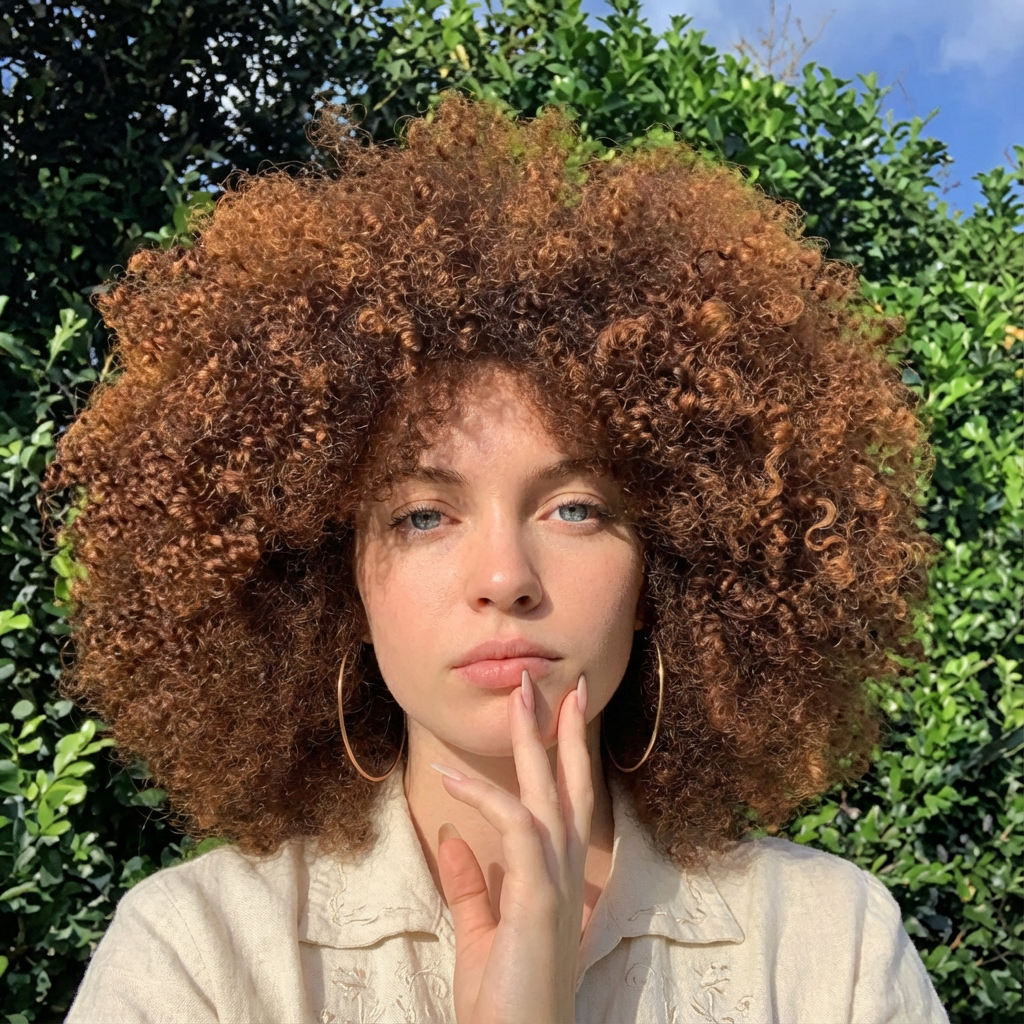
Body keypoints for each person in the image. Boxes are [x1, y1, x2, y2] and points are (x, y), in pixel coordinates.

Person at [54, 94, 948, 1023]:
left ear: (660, 576)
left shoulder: (830, 950)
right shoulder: (194, 955)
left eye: (574, 508)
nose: (504, 577)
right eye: (422, 517)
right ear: (344, 586)